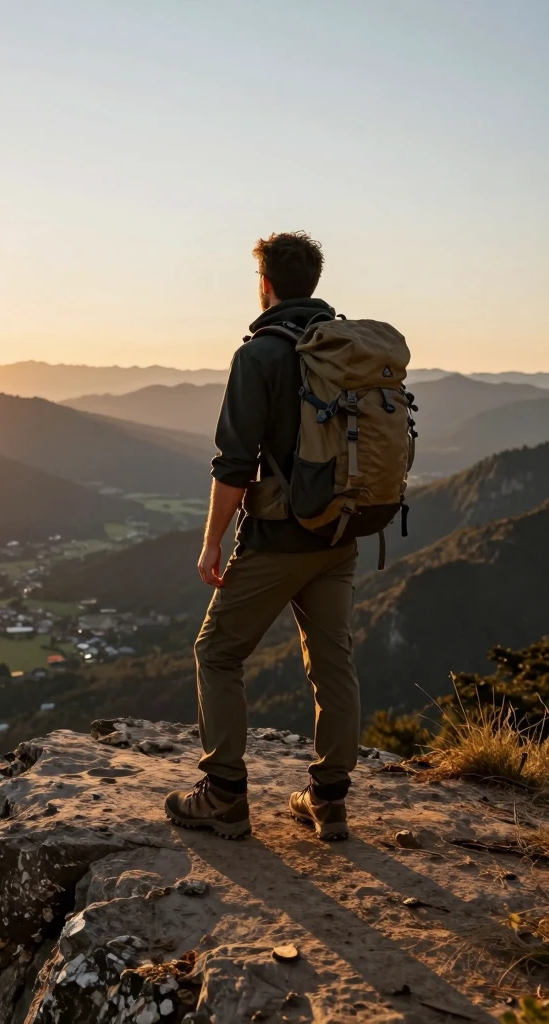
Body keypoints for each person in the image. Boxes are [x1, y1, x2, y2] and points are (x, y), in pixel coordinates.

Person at [165, 231, 360, 843]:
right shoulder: (344, 347)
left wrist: (212, 541)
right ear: (314, 284)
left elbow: (234, 462)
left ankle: (223, 795)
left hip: (279, 538)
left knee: (216, 652)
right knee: (333, 663)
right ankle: (328, 801)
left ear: (265, 285)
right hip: (342, 534)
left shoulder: (260, 355)